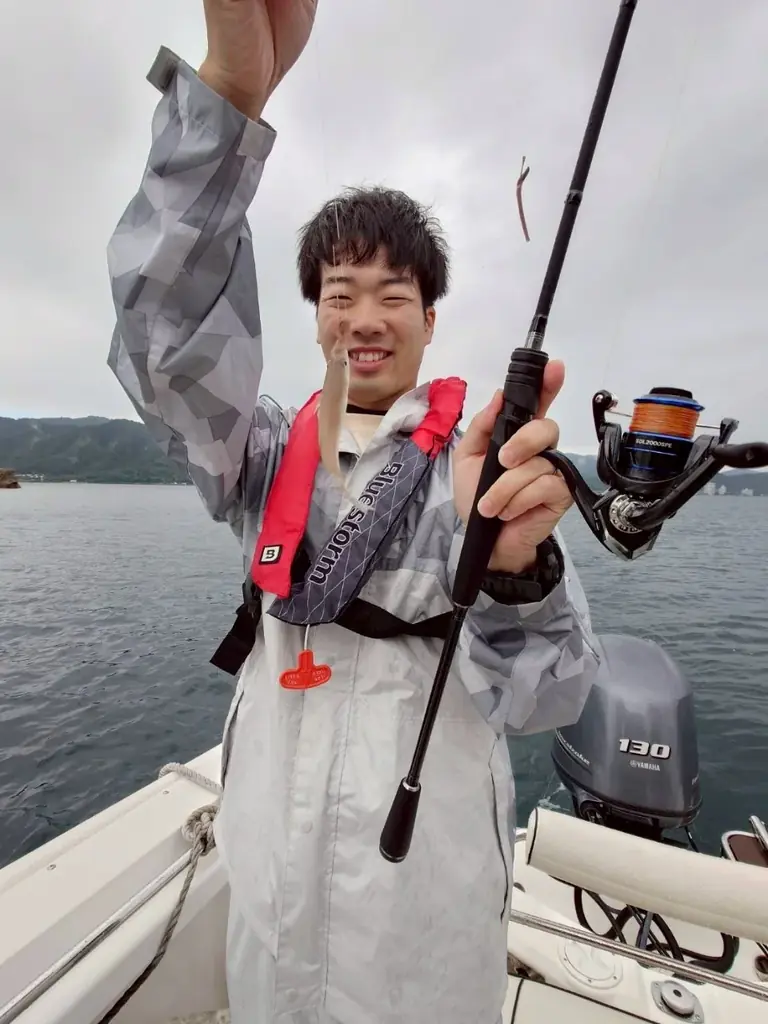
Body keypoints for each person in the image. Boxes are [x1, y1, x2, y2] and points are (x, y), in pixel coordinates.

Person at [106, 2, 598, 1021]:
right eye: (339, 293)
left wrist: (512, 568)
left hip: (428, 921)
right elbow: (164, 348)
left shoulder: (482, 468)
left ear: (431, 318)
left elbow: (548, 698)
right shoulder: (260, 450)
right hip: (267, 902)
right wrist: (223, 106)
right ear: (314, 313)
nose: (364, 319)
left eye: (393, 295)